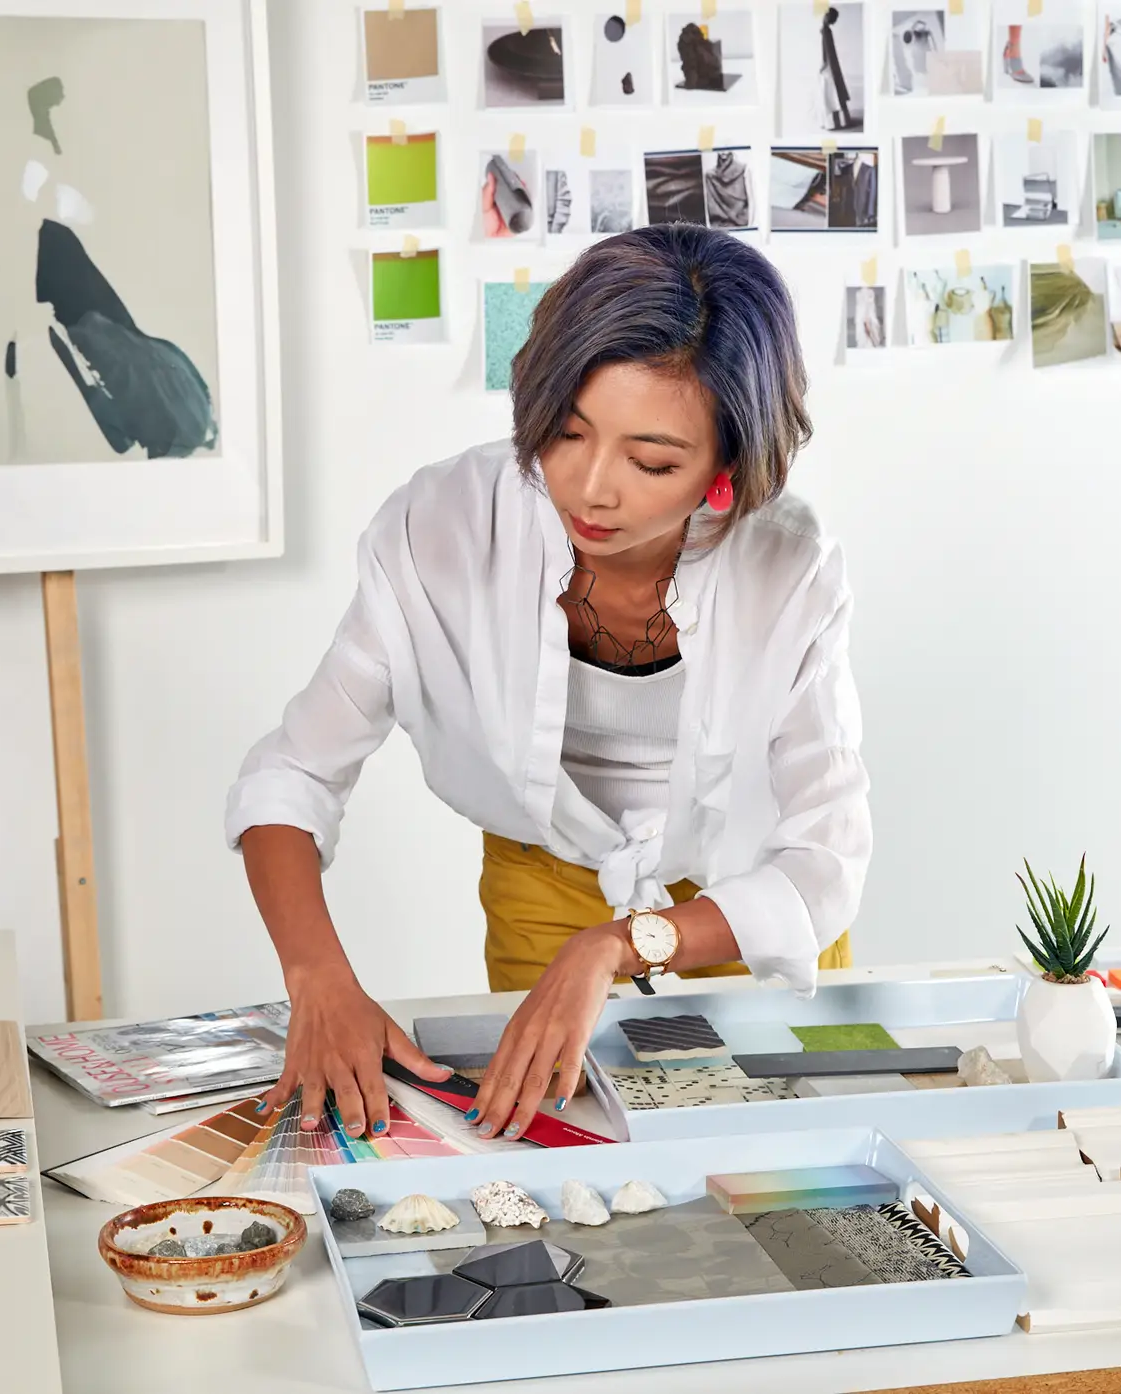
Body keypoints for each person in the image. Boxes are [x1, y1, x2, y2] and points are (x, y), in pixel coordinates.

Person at [226, 225, 870, 1146]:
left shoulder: (790, 569)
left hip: (742, 905)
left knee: (781, 1173)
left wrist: (619, 945)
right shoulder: (440, 527)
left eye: (652, 463)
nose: (590, 489)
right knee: (562, 1173)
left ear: (727, 469)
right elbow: (290, 777)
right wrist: (319, 980)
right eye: (565, 432)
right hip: (544, 885)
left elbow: (824, 863)